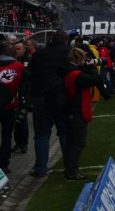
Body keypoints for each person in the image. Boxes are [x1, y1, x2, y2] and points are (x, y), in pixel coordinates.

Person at [62, 47, 111, 181]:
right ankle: (72, 171)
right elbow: (94, 79)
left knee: (70, 142)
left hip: (69, 111)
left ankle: (69, 169)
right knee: (78, 142)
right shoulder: (76, 75)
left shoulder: (67, 71)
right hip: (77, 111)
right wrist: (91, 67)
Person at [29, 30, 70, 178]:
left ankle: (40, 167)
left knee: (41, 135)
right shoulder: (68, 52)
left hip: (40, 97)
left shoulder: (40, 53)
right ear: (66, 41)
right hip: (60, 97)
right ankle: (69, 165)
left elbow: (31, 71)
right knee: (64, 132)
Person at [0, 40, 25, 175]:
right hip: (10, 106)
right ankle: (3, 164)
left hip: (9, 104)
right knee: (6, 135)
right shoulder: (18, 67)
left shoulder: (19, 67)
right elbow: (25, 86)